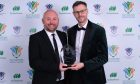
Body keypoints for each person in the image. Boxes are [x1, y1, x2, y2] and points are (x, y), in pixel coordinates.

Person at [66, 1, 108, 84]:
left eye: (82, 11)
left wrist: (84, 64)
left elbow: (103, 57)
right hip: (74, 76)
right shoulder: (70, 31)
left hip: (93, 77)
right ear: (73, 14)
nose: (80, 14)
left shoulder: (99, 30)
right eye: (77, 12)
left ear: (87, 11)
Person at [29, 10, 68, 84]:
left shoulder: (63, 35)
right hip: (44, 81)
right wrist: (57, 67)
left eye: (54, 19)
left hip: (63, 81)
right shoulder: (35, 38)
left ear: (58, 21)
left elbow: (66, 55)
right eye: (48, 19)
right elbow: (34, 62)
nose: (51, 22)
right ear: (43, 21)